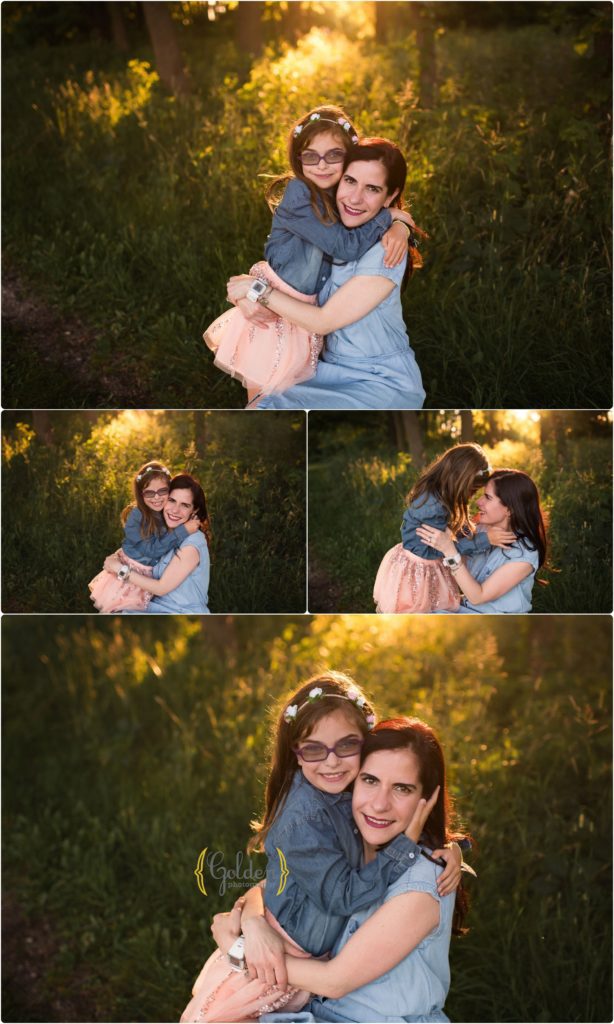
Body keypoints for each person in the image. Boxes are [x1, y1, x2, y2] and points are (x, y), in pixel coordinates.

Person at [180, 674, 461, 1022]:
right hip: (297, 994)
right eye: (370, 781)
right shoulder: (335, 817)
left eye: (402, 789)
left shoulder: (421, 881)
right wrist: (253, 922)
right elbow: (274, 885)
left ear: (428, 797)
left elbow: (335, 981)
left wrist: (236, 947)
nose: (378, 804)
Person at [205, 105, 415, 404]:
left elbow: (324, 308)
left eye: (334, 156)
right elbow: (336, 247)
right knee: (263, 398)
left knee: (274, 393)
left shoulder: (357, 222)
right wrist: (392, 217)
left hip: (331, 341)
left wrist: (398, 224)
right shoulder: (304, 195)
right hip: (279, 316)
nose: (322, 166)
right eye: (310, 156)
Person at [374, 443, 515, 614]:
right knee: (418, 611)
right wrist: (485, 540)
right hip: (420, 571)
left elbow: (450, 535)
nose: (472, 496)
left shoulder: (440, 493)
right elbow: (440, 549)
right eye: (472, 490)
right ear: (460, 481)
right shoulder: (433, 509)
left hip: (428, 563)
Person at [416, 469, 548, 614]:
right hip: (465, 609)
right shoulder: (480, 530)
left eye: (488, 497)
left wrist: (450, 551)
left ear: (510, 509)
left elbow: (478, 597)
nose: (479, 502)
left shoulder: (523, 553)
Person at [88, 461, 200, 613]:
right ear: (141, 494)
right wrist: (184, 531)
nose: (156, 497)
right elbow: (152, 550)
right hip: (129, 576)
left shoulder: (166, 512)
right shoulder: (136, 516)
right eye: (149, 493)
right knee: (121, 607)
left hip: (146, 576)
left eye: (162, 491)